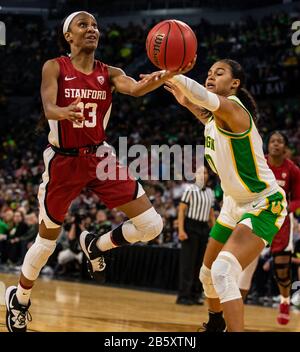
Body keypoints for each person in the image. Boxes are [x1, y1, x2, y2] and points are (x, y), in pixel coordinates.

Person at [5, 11, 194, 332]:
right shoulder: (54, 67)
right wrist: (63, 112)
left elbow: (135, 89)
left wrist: (169, 72)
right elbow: (48, 106)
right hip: (63, 162)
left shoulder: (109, 72)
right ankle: (19, 298)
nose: (92, 29)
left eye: (95, 25)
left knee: (151, 225)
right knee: (46, 241)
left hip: (99, 158)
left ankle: (96, 245)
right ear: (69, 35)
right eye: (83, 25)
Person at [164, 59, 287, 332]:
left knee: (223, 271)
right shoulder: (215, 117)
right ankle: (215, 324)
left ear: (234, 84)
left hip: (263, 202)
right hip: (233, 204)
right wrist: (187, 103)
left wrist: (172, 72)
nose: (210, 76)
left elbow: (205, 99)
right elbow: (206, 115)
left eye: (219, 73)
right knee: (206, 275)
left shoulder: (234, 109)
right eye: (208, 73)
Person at [239, 131, 300, 325]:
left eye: (280, 141)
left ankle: (284, 301)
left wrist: (284, 209)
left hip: (281, 221)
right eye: (272, 141)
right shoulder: (260, 164)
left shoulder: (293, 170)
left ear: (285, 147)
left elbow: (298, 198)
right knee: (247, 265)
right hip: (257, 217)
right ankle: (237, 305)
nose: (275, 144)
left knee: (282, 269)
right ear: (268, 145)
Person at [176, 165, 215, 305]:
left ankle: (195, 294)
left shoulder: (210, 192)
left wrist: (214, 232)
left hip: (204, 228)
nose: (202, 175)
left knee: (199, 264)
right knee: (188, 263)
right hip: (190, 227)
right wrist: (181, 230)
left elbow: (211, 215)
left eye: (205, 172)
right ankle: (183, 295)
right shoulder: (189, 189)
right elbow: (181, 210)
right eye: (199, 172)